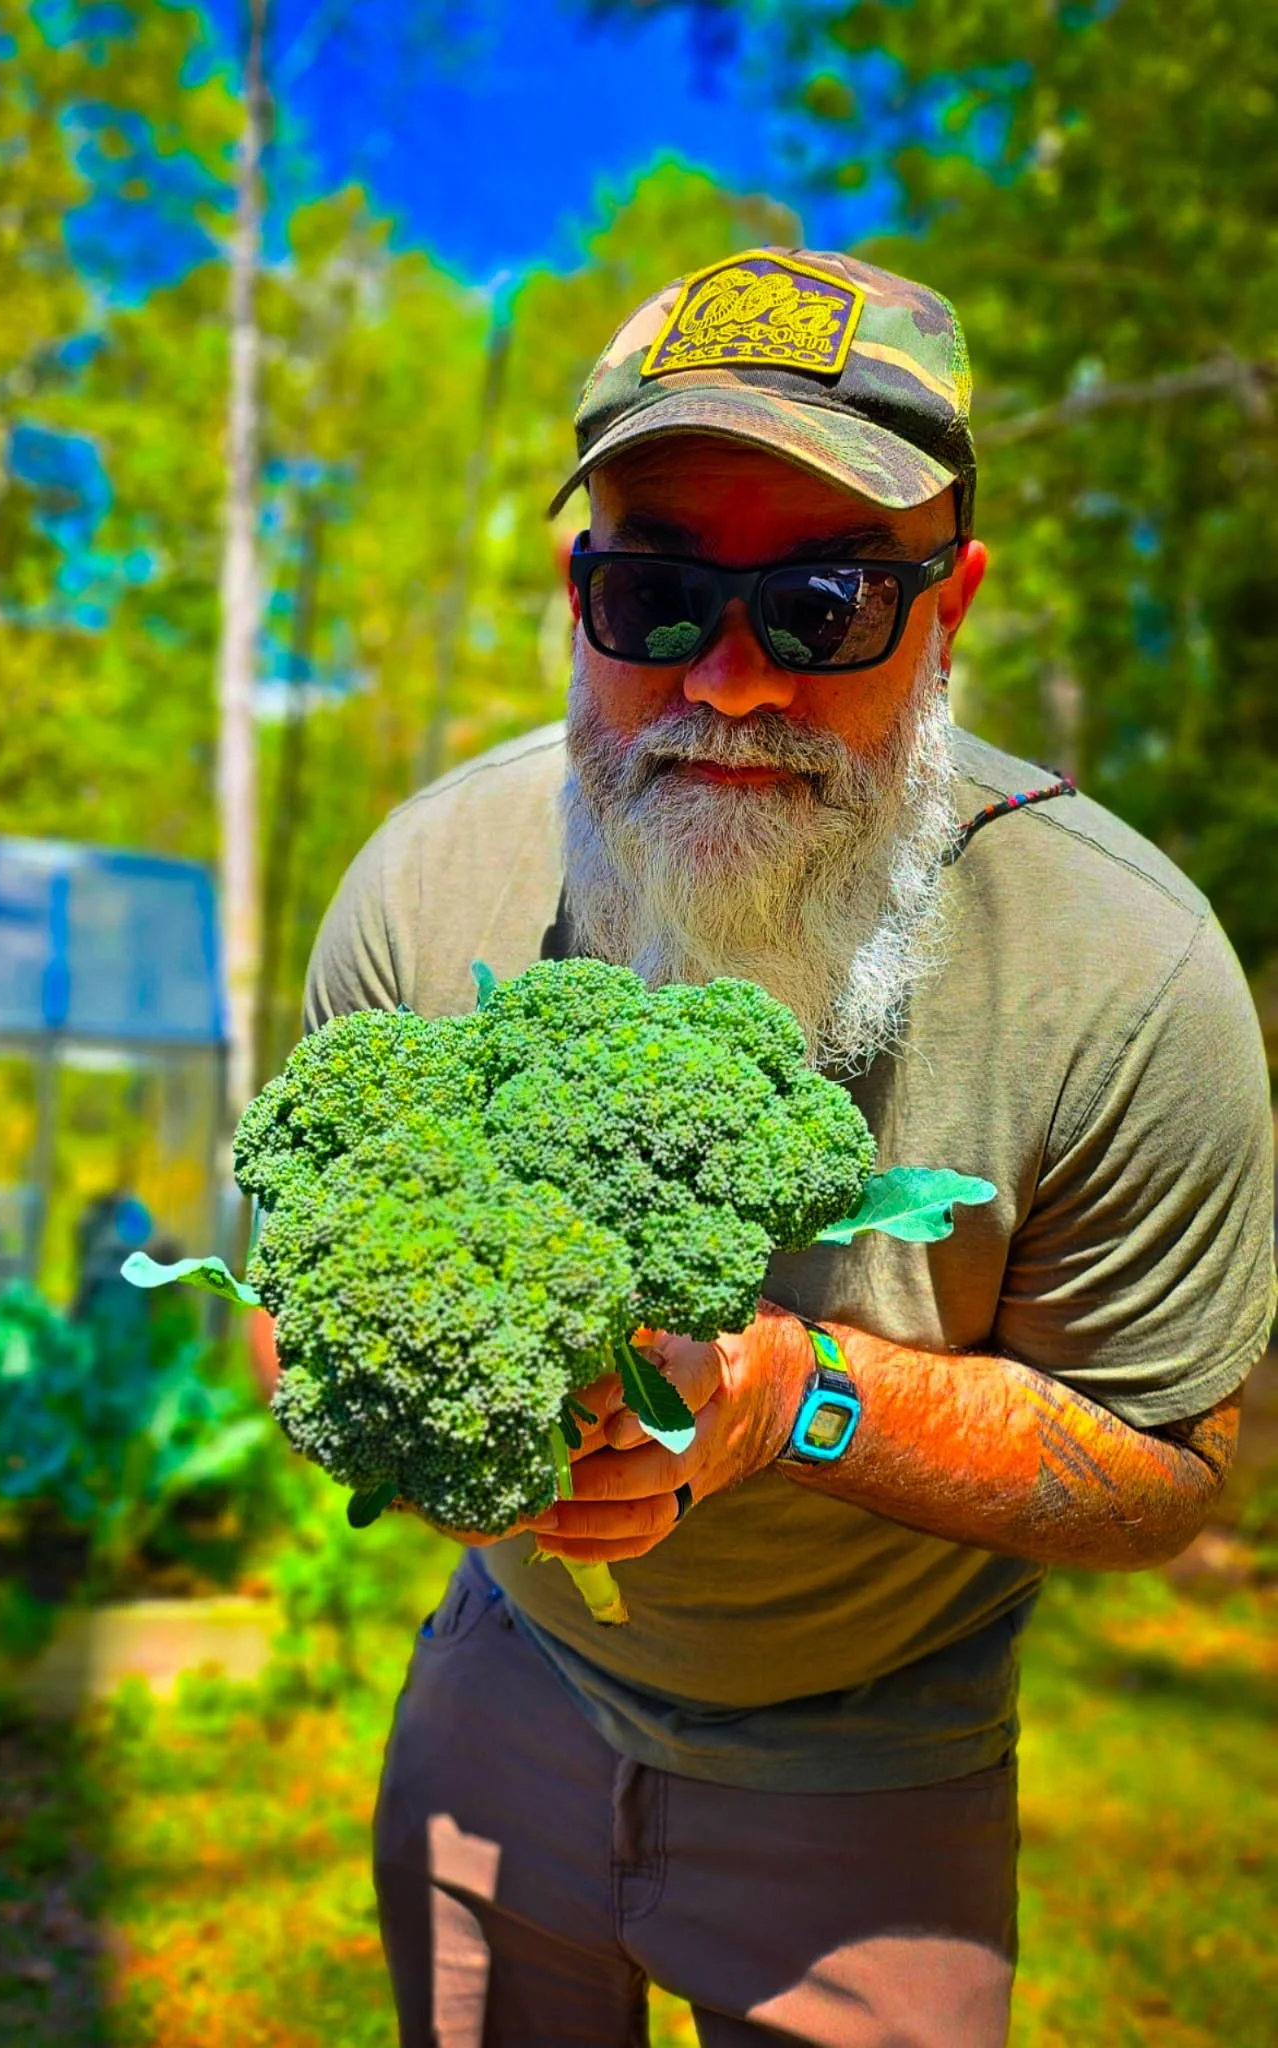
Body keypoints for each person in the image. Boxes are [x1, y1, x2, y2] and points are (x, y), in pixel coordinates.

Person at [290, 249, 1277, 2047]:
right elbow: (285, 1293)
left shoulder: (1127, 974)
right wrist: (384, 1378)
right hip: (505, 1688)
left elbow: (1170, 1468)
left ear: (949, 606)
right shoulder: (425, 889)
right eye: (657, 594)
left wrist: (788, 1399)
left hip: (870, 1760)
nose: (728, 683)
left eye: (822, 603)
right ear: (575, 591)